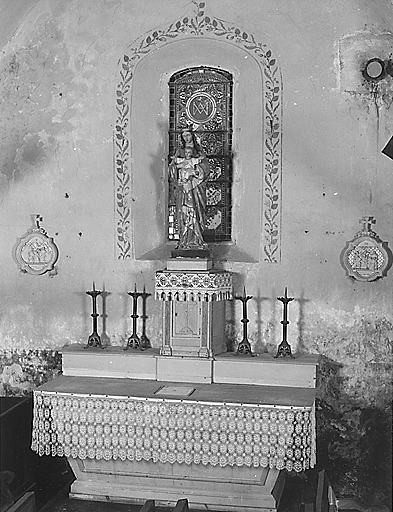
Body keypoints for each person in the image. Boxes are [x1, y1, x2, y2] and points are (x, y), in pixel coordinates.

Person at [169, 129, 211, 251]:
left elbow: (206, 168)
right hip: (183, 187)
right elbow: (172, 168)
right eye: (184, 136)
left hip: (196, 188)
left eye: (188, 135)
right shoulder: (179, 152)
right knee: (183, 210)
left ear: (192, 135)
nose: (186, 138)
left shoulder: (198, 152)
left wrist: (196, 171)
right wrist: (178, 172)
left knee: (196, 211)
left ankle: (197, 239)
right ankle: (184, 239)